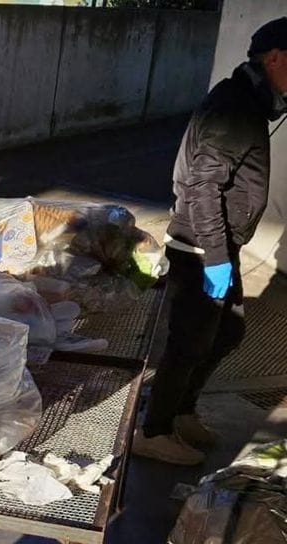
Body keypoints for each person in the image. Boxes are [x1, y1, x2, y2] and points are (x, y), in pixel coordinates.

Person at [133, 17, 287, 465]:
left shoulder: (246, 101)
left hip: (218, 246)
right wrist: (216, 258)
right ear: (275, 58)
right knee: (188, 343)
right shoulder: (235, 107)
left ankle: (180, 412)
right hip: (201, 248)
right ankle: (153, 430)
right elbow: (203, 187)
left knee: (228, 332)